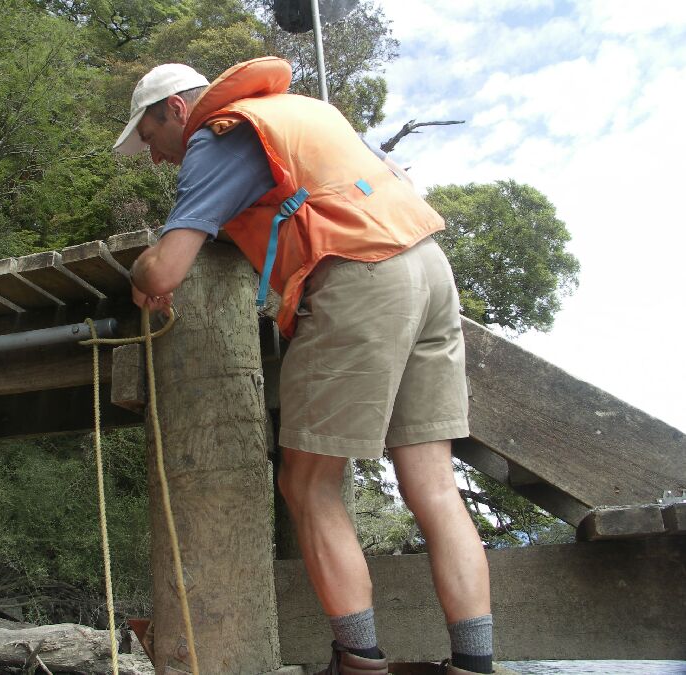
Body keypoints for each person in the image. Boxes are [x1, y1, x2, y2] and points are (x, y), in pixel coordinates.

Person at [114, 56, 510, 675]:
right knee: (431, 485)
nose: (157, 156)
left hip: (359, 274)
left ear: (176, 110)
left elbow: (165, 270)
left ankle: (359, 660)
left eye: (151, 138)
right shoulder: (303, 112)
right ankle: (475, 664)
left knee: (307, 483)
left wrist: (141, 277)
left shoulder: (218, 138)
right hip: (429, 268)